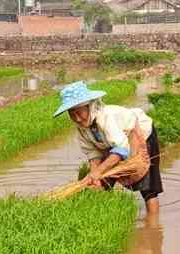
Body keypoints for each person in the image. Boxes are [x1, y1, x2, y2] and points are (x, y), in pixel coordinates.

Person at [53, 81, 163, 214]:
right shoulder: (82, 128)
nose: (77, 118)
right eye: (72, 114)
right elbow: (93, 155)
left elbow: (122, 149)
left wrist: (98, 172)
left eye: (79, 112)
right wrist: (94, 176)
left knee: (148, 190)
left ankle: (153, 225)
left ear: (89, 106)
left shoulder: (106, 117)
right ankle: (105, 211)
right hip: (114, 144)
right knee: (103, 182)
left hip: (140, 134)